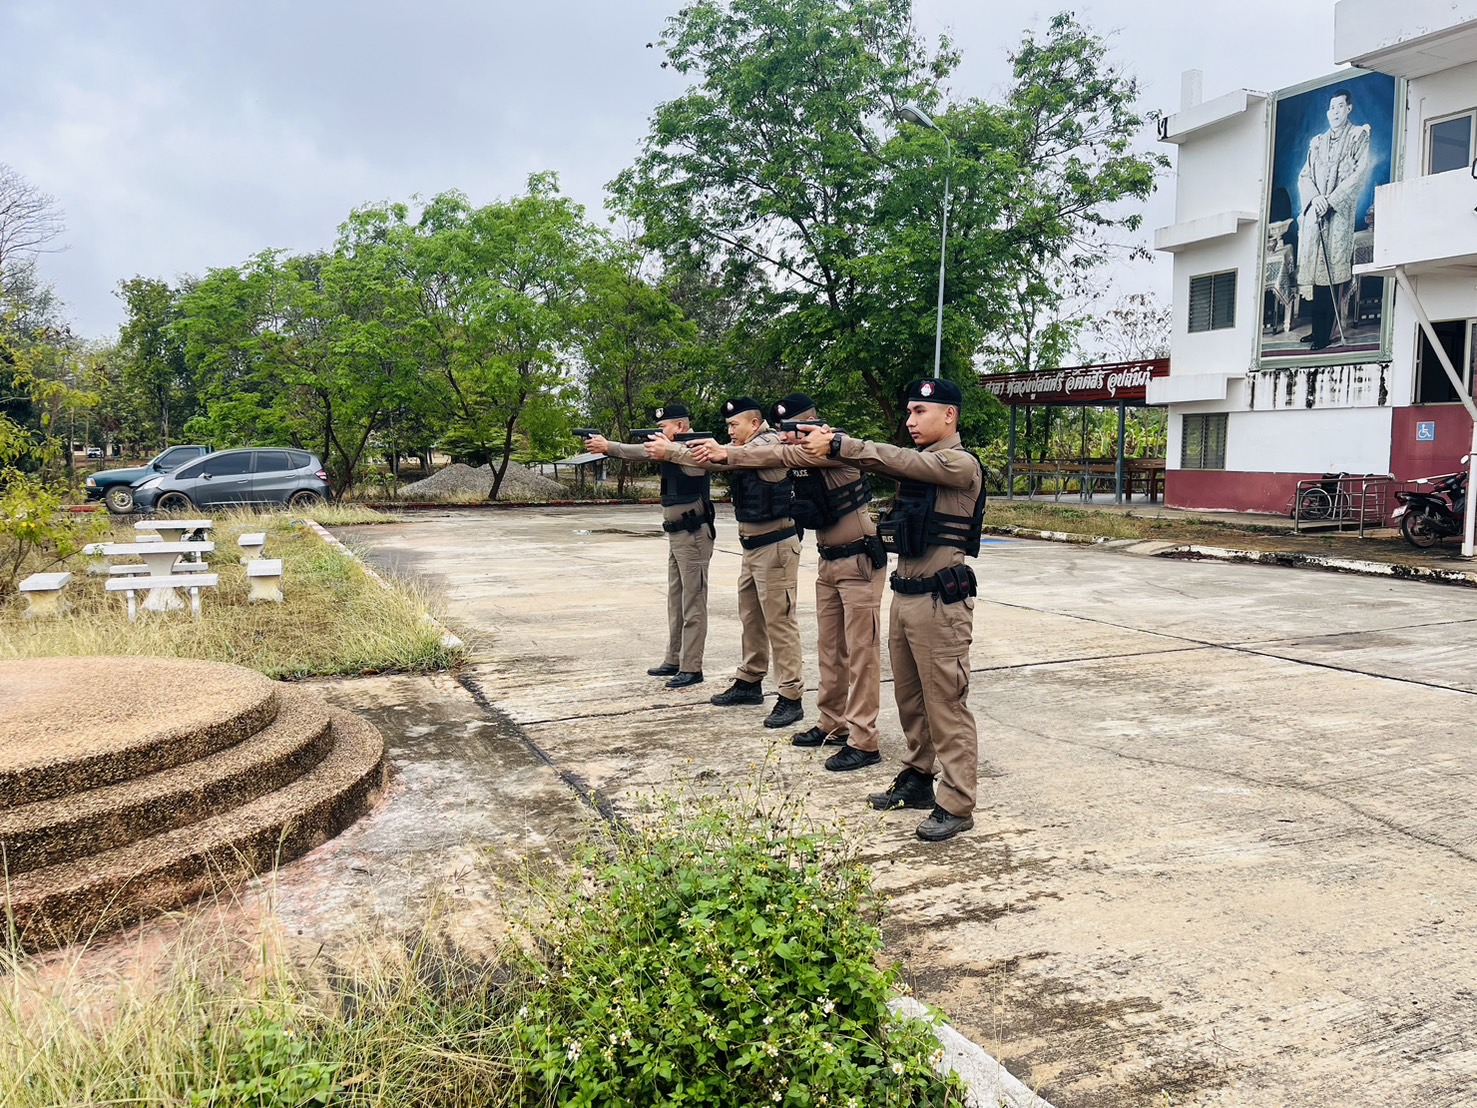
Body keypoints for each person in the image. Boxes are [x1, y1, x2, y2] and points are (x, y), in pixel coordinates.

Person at [799, 378, 986, 843]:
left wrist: (841, 444)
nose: (910, 420)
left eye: (920, 411)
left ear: (949, 415)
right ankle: (918, 777)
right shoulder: (921, 465)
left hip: (940, 603)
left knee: (946, 704)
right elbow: (896, 463)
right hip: (906, 596)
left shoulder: (959, 464)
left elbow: (898, 460)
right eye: (909, 411)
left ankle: (957, 802)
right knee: (911, 701)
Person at [692, 392, 885, 772]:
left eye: (792, 430)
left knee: (862, 655)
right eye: (782, 430)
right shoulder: (803, 451)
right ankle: (832, 724)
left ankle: (865, 740)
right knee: (830, 651)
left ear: (812, 424)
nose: (784, 437)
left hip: (858, 560)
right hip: (829, 561)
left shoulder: (836, 447)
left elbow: (774, 455)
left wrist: (727, 453)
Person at [647, 397, 805, 729]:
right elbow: (724, 457)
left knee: (780, 623)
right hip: (754, 547)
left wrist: (676, 450)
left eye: (734, 425)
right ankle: (750, 680)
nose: (729, 431)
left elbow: (729, 459)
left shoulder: (768, 443)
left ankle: (791, 696)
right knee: (751, 617)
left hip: (775, 546)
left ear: (754, 423)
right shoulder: (744, 447)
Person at [586, 403, 713, 689]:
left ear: (680, 426)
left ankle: (692, 666)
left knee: (693, 602)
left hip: (693, 533)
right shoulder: (668, 447)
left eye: (663, 427)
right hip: (677, 534)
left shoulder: (699, 447)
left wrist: (612, 447)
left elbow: (694, 462)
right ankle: (674, 658)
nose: (658, 433)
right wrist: (608, 447)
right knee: (676, 599)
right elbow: (638, 451)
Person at [1297, 88, 1371, 351]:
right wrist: (1315, 198)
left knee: (1331, 275)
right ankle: (1317, 329)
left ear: (1348, 108)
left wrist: (1331, 200)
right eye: (1332, 108)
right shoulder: (1317, 143)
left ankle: (1325, 333)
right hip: (1317, 213)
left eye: (1340, 106)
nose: (1335, 112)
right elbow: (1305, 176)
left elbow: (1359, 173)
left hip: (1338, 215)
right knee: (1317, 276)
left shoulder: (1358, 136)